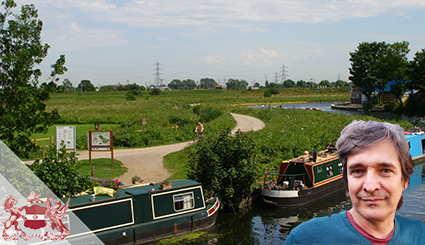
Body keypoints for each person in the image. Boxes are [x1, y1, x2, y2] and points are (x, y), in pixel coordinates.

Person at [285, 120, 425, 244]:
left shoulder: (421, 235)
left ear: (405, 181)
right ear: (346, 180)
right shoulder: (305, 239)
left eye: (385, 171)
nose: (370, 187)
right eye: (358, 171)